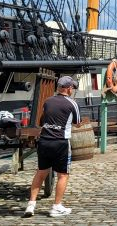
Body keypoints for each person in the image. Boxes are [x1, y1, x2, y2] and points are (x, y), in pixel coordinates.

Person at [24, 76, 81, 218]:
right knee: (63, 175)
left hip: (44, 141)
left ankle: (31, 205)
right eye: (72, 87)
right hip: (60, 142)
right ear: (68, 88)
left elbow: (43, 119)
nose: (72, 89)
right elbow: (77, 123)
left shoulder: (48, 101)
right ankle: (56, 206)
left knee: (41, 172)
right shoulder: (72, 103)